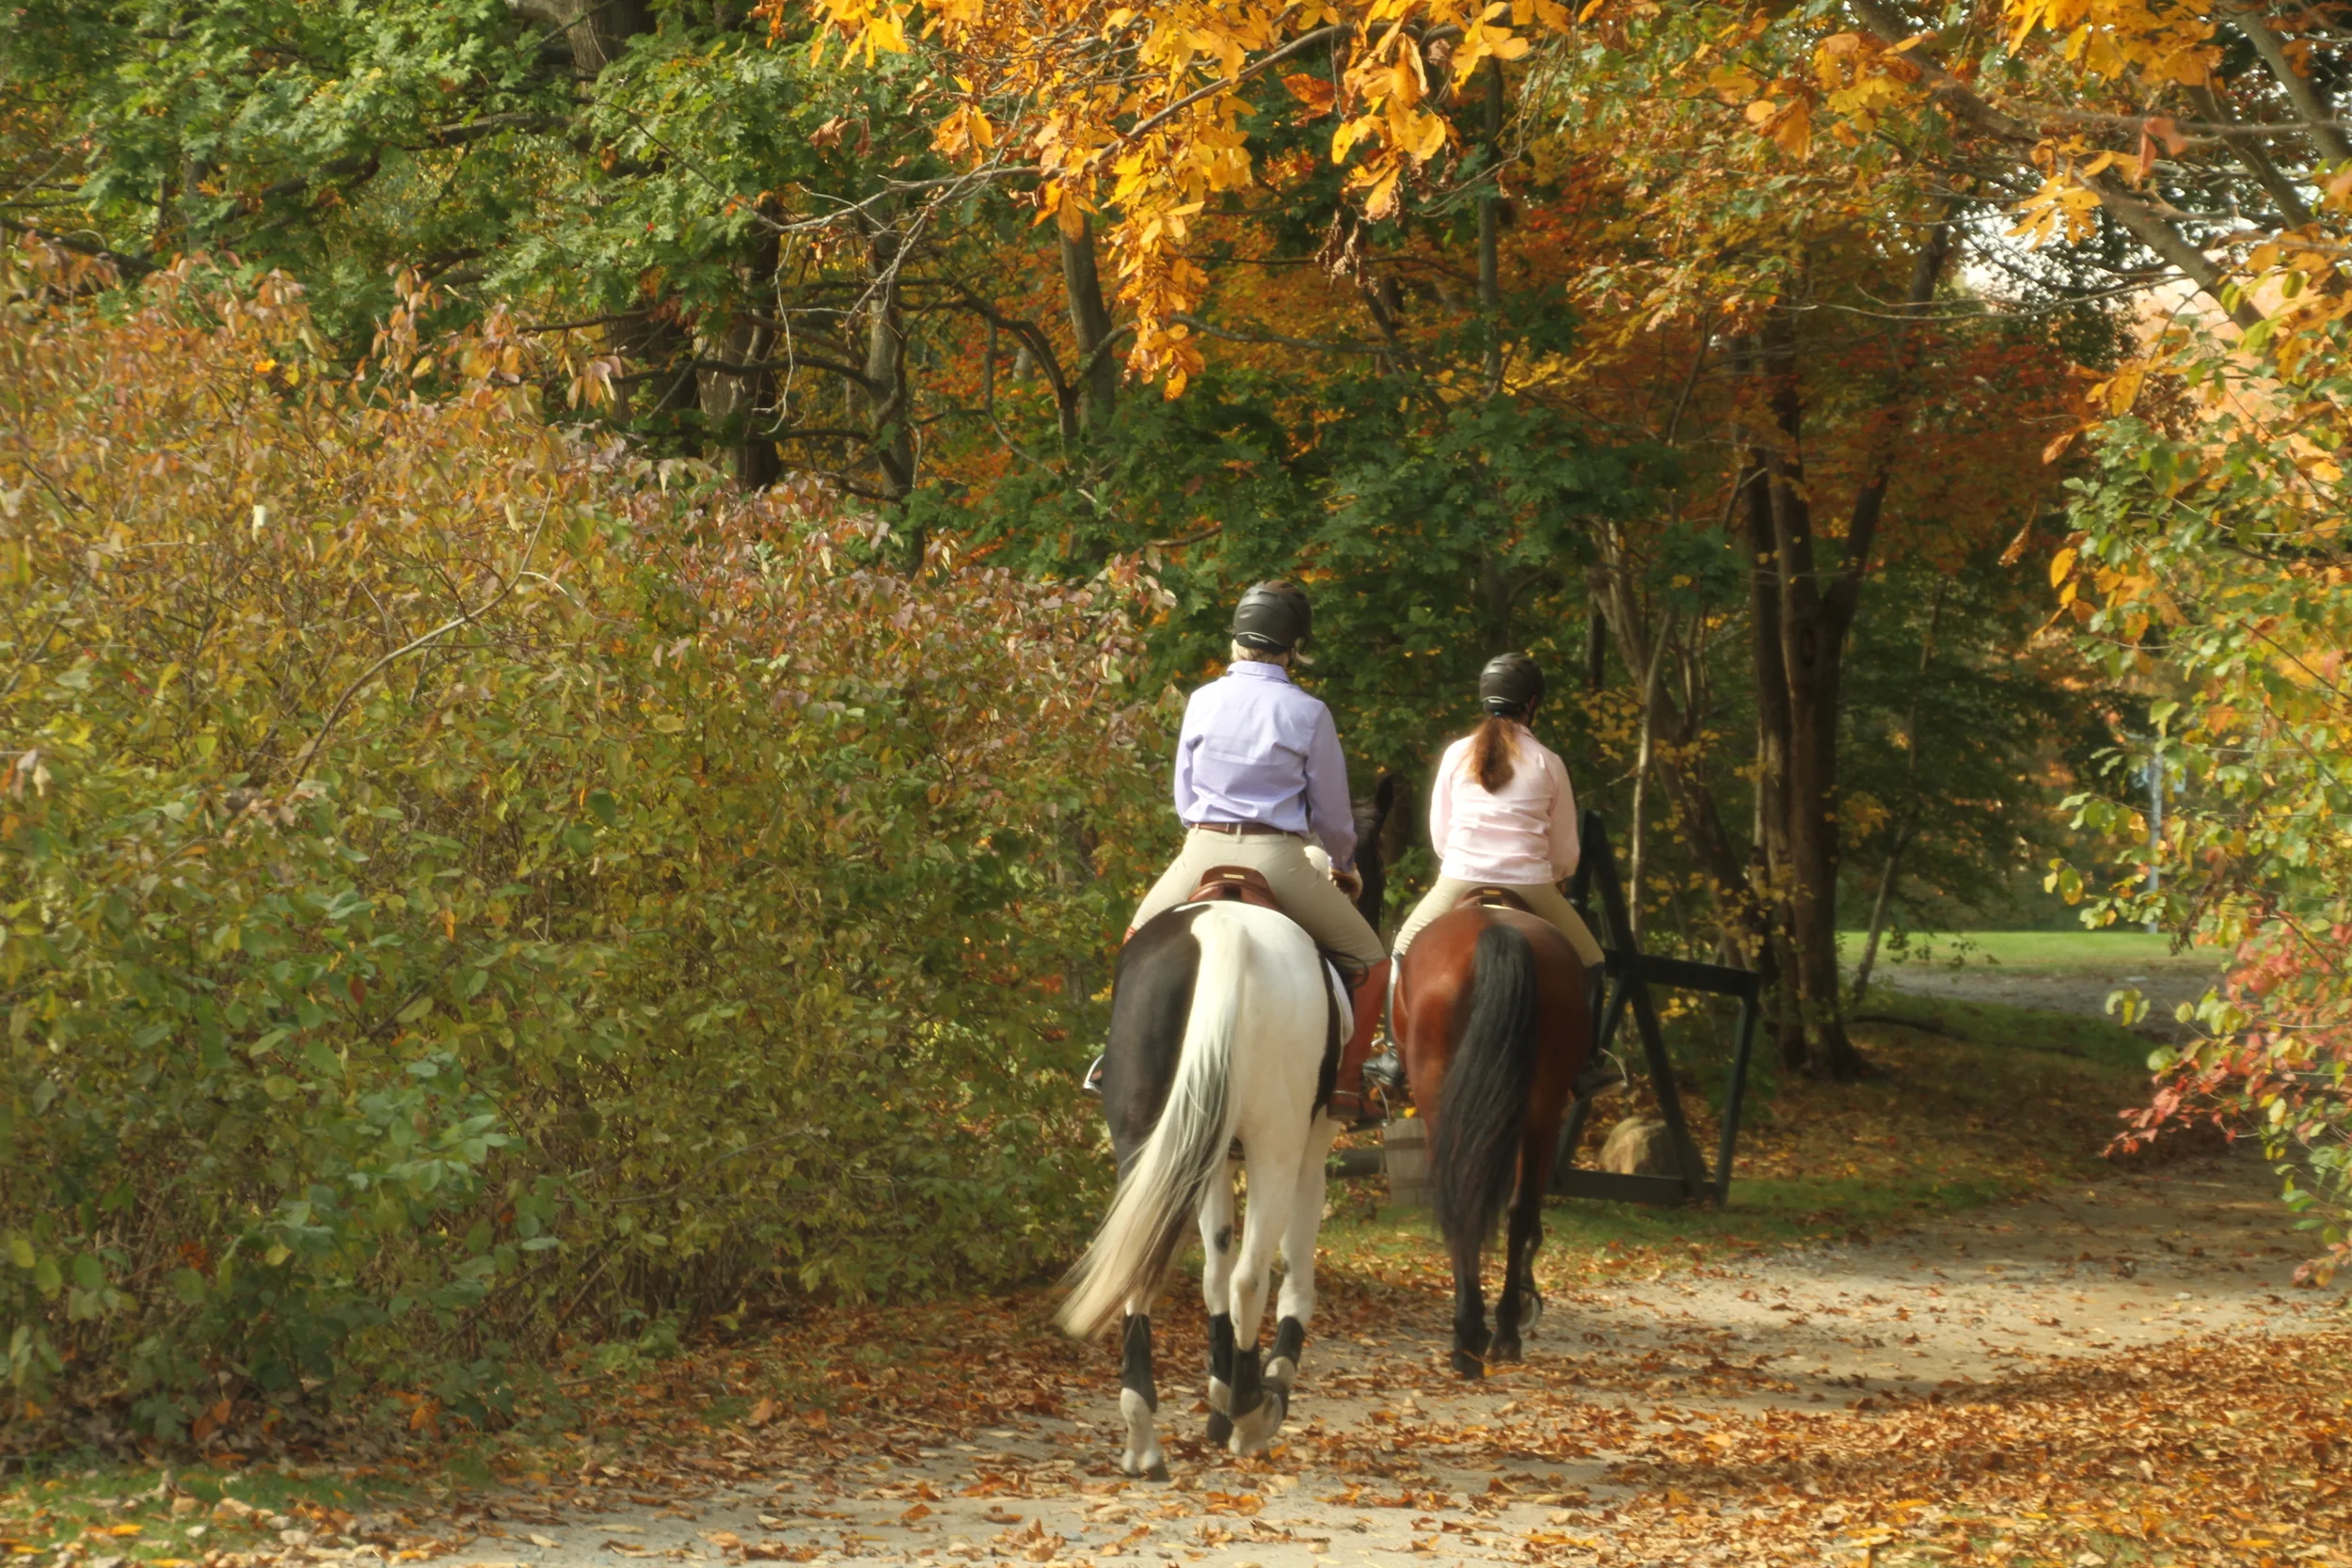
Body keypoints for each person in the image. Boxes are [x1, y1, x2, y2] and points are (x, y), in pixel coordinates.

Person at [1089, 580, 1392, 1123]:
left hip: (1202, 850)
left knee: (1136, 941)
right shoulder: (1308, 711)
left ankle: (1113, 1061)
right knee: (1371, 961)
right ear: (1294, 646)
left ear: (1236, 638)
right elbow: (1332, 814)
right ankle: (1349, 1085)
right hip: (1278, 858)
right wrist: (1344, 866)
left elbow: (1185, 796)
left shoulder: (1203, 700)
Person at [1361, 652, 1618, 1099]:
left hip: (1461, 876)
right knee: (1592, 959)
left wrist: (1465, 859)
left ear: (1484, 699)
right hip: (1531, 883)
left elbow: (1440, 835)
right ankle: (1587, 1064)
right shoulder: (1548, 761)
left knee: (1402, 948)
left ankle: (1393, 1058)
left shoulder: (1457, 754)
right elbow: (1564, 851)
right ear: (1532, 702)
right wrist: (1555, 873)